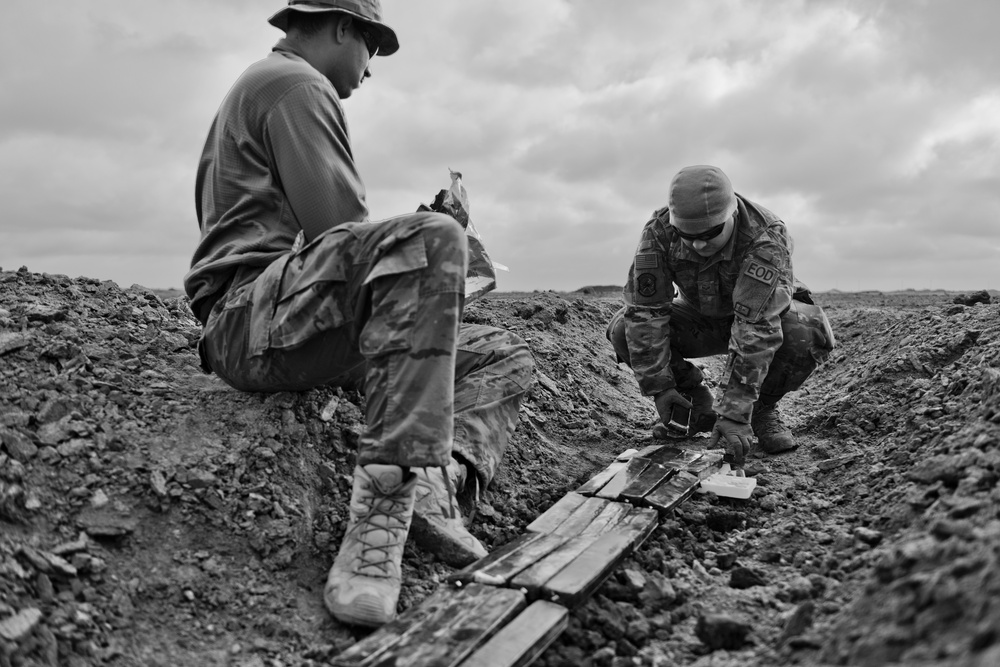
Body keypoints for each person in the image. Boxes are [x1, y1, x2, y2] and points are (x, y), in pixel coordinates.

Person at [184, 0, 533, 629]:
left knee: (503, 353)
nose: (370, 70)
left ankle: (439, 483)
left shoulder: (273, 85)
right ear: (344, 28)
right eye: (371, 48)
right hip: (247, 319)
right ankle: (379, 520)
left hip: (290, 321)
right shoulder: (295, 83)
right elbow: (338, 228)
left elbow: (330, 243)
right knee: (432, 239)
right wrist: (439, 242)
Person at [606, 165, 834, 465]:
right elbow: (646, 312)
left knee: (808, 330)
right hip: (699, 318)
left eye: (710, 233)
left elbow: (757, 326)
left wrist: (736, 410)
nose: (698, 244)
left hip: (763, 319)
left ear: (732, 215)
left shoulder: (765, 236)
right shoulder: (659, 230)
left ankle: (760, 412)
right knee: (624, 328)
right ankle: (696, 407)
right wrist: (662, 388)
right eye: (687, 236)